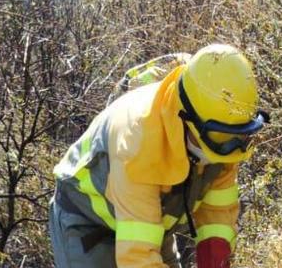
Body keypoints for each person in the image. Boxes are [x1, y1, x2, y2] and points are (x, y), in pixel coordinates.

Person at [49, 44, 269, 268]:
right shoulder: (137, 141)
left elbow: (217, 217)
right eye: (222, 136)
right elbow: (139, 258)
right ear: (187, 118)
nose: (231, 147)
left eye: (239, 136)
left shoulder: (224, 139)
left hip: (151, 222)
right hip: (90, 223)